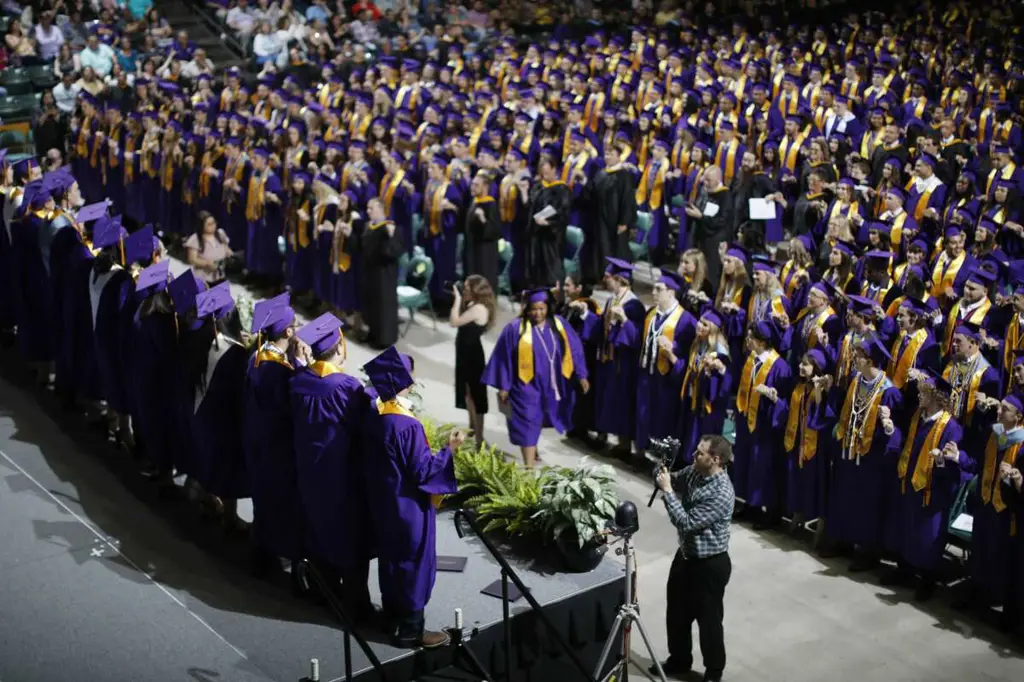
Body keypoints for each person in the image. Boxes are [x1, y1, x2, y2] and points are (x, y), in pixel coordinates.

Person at [362, 346, 462, 648]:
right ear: (404, 381)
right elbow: (423, 472)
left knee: (391, 561)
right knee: (413, 564)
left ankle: (392, 619)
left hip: (384, 502)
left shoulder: (375, 417)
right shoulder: (406, 425)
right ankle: (410, 631)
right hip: (408, 508)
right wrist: (449, 450)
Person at [652, 434, 736, 682]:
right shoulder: (696, 471)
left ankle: (713, 670)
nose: (694, 455)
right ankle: (679, 660)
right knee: (676, 613)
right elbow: (676, 479)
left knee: (709, 621)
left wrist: (666, 491)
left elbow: (686, 522)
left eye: (700, 453)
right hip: (687, 555)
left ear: (715, 459)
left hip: (710, 564)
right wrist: (662, 468)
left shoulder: (722, 492)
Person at [481, 288, 590, 468]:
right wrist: (504, 386)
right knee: (527, 422)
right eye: (533, 309)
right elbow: (504, 357)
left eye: (541, 309)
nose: (537, 313)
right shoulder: (515, 328)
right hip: (524, 386)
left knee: (539, 419)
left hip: (551, 383)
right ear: (527, 309)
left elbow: (575, 349)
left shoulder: (559, 325)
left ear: (547, 307)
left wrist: (581, 374)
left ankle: (533, 450)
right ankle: (529, 468)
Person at [244, 294, 304, 589]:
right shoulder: (278, 371)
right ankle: (270, 559)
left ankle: (261, 555)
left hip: (257, 440)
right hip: (276, 446)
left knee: (263, 502)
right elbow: (291, 407)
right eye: (296, 324)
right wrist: (302, 367)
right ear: (289, 332)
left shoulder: (257, 357)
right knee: (278, 504)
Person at [184, 282, 251, 530]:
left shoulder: (198, 338)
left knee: (204, 455)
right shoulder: (234, 353)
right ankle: (230, 519)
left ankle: (203, 496)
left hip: (198, 409)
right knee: (228, 466)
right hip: (221, 418)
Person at [450, 274, 495, 450]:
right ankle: (472, 427)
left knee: (476, 395)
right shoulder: (472, 305)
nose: (465, 289)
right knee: (468, 394)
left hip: (472, 355)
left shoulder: (478, 309)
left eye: (468, 287)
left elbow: (454, 321)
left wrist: (457, 300)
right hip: (464, 352)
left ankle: (480, 436)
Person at [360, 197, 404, 349]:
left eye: (371, 208)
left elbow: (393, 252)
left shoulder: (391, 228)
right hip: (369, 273)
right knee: (371, 305)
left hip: (385, 275)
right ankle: (372, 333)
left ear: (381, 209)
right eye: (368, 208)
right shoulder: (368, 226)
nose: (368, 211)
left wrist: (390, 237)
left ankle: (384, 339)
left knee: (383, 307)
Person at [523, 158, 570, 288]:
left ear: (554, 169)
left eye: (547, 172)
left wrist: (549, 223)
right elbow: (530, 206)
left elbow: (563, 214)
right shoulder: (538, 186)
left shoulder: (562, 190)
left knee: (551, 270)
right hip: (536, 234)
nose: (545, 176)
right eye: (543, 173)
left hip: (552, 238)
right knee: (535, 267)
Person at [185, 210, 233, 285]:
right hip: (203, 278)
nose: (213, 226)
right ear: (201, 226)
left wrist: (228, 253)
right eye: (209, 224)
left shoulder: (220, 234)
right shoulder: (195, 239)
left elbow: (226, 247)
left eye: (214, 223)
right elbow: (192, 259)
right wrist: (206, 264)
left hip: (220, 275)